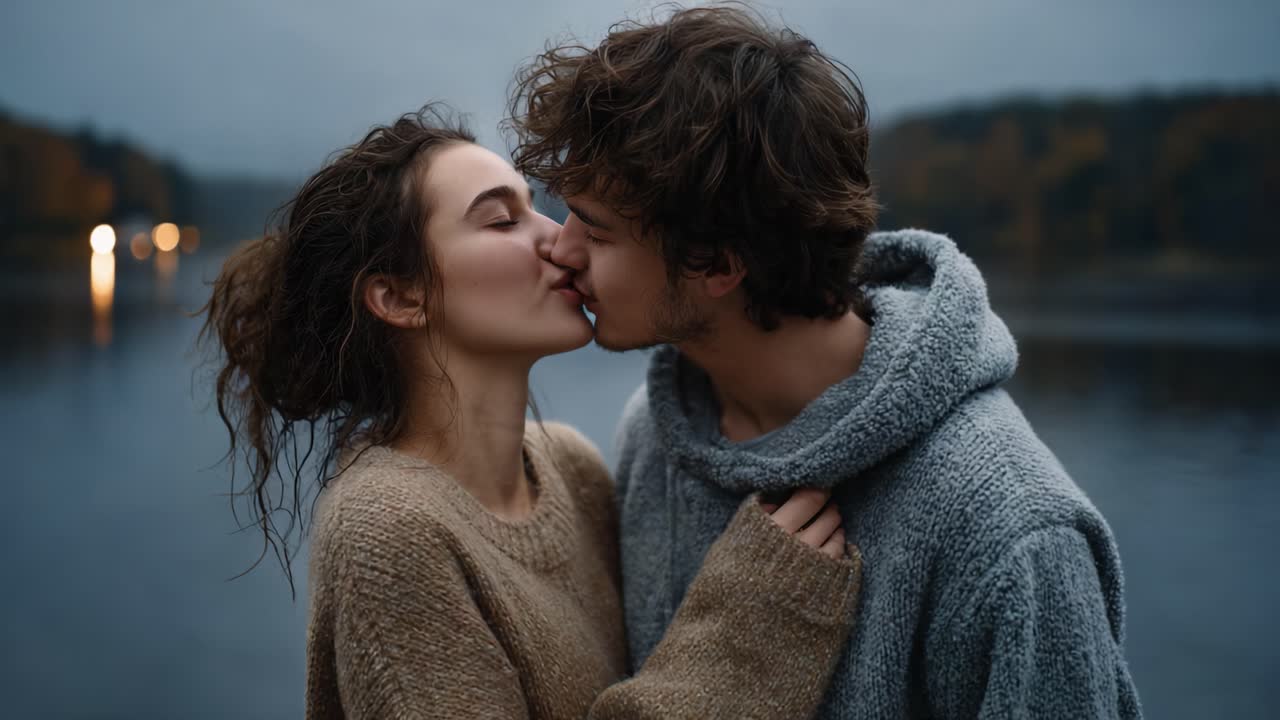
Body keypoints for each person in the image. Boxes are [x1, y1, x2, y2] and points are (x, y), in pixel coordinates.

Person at [507, 5, 1142, 718]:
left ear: (718, 262)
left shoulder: (1012, 529)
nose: (558, 249)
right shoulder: (655, 435)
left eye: (594, 230)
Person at [201, 106, 863, 719]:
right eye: (501, 220)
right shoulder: (388, 529)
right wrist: (745, 639)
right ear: (399, 297)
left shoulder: (572, 467)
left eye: (535, 207)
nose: (558, 240)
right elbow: (707, 656)